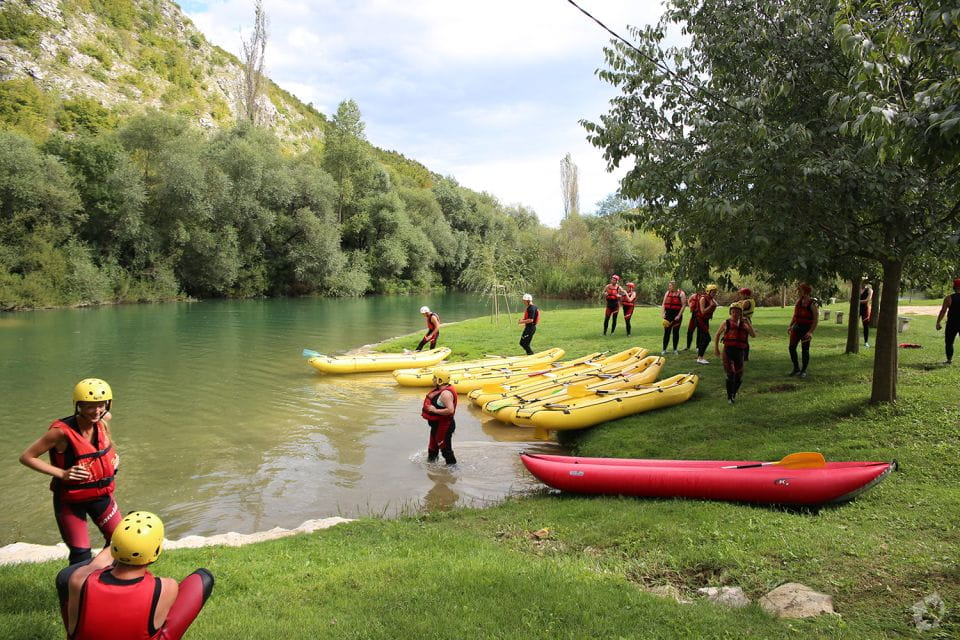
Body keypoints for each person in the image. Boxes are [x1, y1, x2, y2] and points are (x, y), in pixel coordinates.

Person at [56, 510, 214, 640]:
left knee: (65, 576)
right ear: (156, 551)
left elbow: (99, 563)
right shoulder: (165, 587)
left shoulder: (79, 580)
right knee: (202, 578)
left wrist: (123, 541)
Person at [20, 378, 122, 566]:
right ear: (78, 405)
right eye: (89, 406)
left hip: (101, 496)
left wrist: (113, 459)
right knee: (81, 555)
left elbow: (106, 432)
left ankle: (102, 577)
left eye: (101, 405)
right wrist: (62, 473)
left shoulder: (102, 419)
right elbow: (27, 457)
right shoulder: (60, 433)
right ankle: (79, 581)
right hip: (70, 501)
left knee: (121, 542)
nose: (96, 411)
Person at [714, 303, 756, 404]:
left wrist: (748, 323)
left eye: (737, 312)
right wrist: (716, 349)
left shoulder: (744, 324)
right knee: (731, 374)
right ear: (730, 312)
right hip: (728, 351)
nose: (735, 314)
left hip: (739, 352)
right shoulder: (726, 323)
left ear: (741, 313)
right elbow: (717, 335)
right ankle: (729, 397)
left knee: (739, 376)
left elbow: (753, 335)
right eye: (733, 312)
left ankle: (733, 393)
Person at [421, 368, 457, 464]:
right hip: (436, 425)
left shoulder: (445, 394)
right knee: (432, 448)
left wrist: (434, 410)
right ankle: (430, 468)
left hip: (444, 425)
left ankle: (453, 470)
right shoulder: (440, 390)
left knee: (445, 450)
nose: (433, 379)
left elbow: (450, 410)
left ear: (440, 380)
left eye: (434, 378)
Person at [787, 284, 819, 377]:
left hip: (806, 329)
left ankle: (803, 371)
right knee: (791, 348)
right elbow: (795, 315)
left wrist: (810, 332)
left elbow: (816, 319)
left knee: (805, 350)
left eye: (800, 290)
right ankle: (796, 368)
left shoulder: (812, 303)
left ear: (805, 292)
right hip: (797, 327)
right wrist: (790, 326)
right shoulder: (798, 302)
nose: (798, 292)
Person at [935, 278, 960, 365]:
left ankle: (949, 360)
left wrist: (938, 322)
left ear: (954, 287)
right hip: (953, 323)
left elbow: (943, 311)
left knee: (949, 342)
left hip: (952, 323)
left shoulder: (948, 298)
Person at [661, 280, 686, 354]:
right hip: (668, 315)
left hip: (676, 316)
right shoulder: (667, 293)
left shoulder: (681, 293)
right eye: (669, 286)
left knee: (675, 332)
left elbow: (684, 305)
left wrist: (679, 315)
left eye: (670, 286)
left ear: (674, 286)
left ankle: (675, 350)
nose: (669, 287)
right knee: (666, 332)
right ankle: (664, 350)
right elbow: (663, 304)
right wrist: (663, 313)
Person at [695, 284, 719, 364]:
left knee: (703, 339)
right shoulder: (703, 298)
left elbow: (711, 310)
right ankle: (700, 358)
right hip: (700, 320)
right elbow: (703, 311)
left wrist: (714, 307)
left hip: (705, 320)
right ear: (708, 292)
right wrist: (711, 306)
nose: (714, 294)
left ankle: (700, 356)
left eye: (715, 292)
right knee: (707, 339)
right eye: (713, 292)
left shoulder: (711, 299)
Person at [736, 287, 756, 363]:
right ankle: (744, 356)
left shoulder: (746, 302)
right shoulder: (751, 300)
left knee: (743, 339)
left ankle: (744, 357)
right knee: (743, 339)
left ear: (745, 294)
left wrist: (738, 303)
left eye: (741, 294)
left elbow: (738, 310)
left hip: (744, 320)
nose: (740, 295)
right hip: (747, 320)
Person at [859, 282, 873, 348]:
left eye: (864, 282)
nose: (863, 283)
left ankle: (866, 342)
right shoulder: (857, 289)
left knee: (865, 326)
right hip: (857, 309)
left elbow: (867, 300)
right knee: (854, 324)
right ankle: (854, 340)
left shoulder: (870, 290)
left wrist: (857, 301)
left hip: (865, 310)